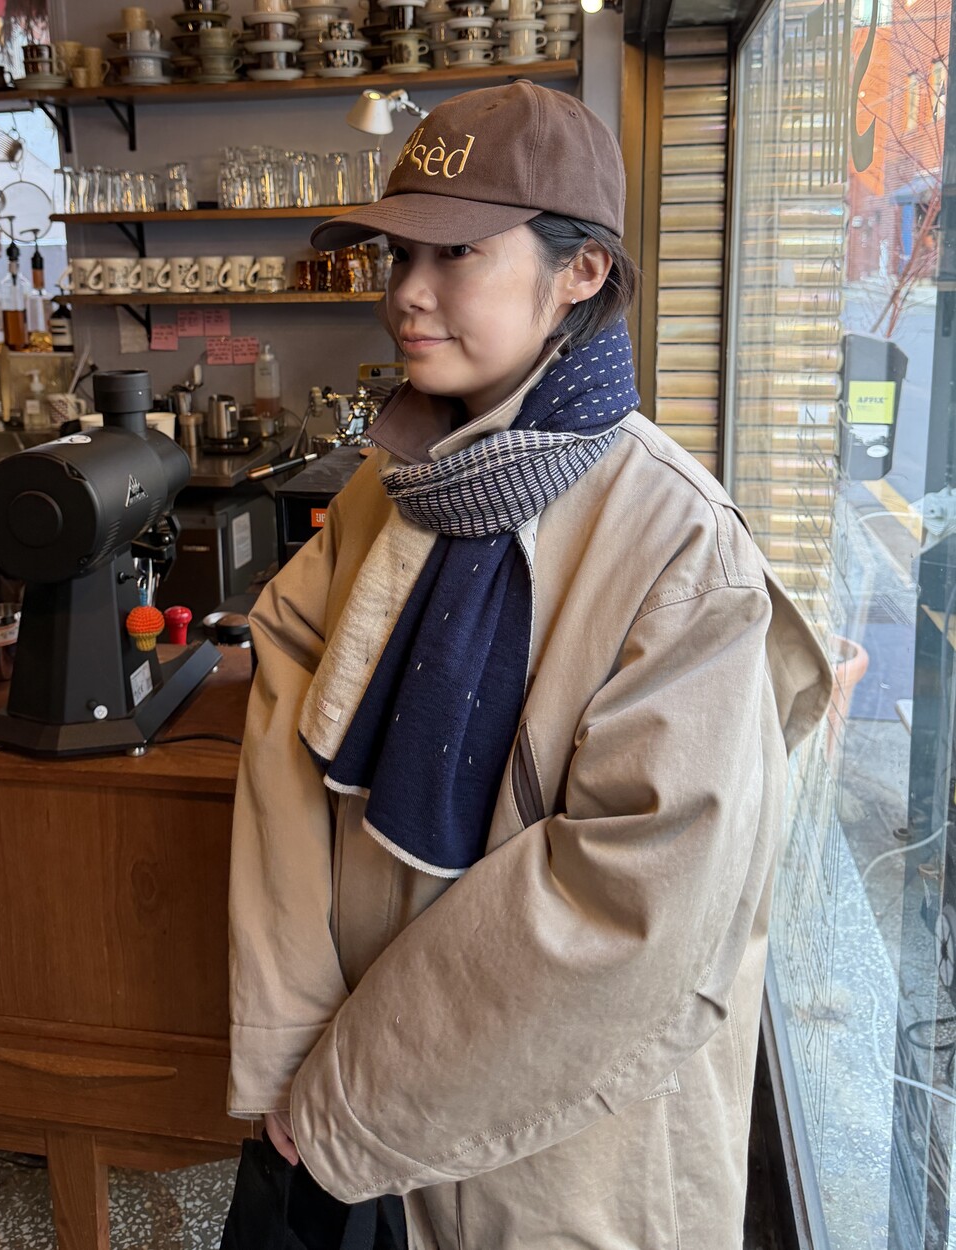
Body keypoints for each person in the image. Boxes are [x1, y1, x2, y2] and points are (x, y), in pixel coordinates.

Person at [227, 82, 832, 1249]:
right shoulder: (393, 487)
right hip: (357, 1106)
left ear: (581, 272)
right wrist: (297, 1048)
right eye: (400, 253)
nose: (406, 292)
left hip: (562, 1153)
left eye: (455, 252)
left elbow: (629, 910)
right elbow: (285, 756)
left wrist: (346, 1096)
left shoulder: (678, 547)